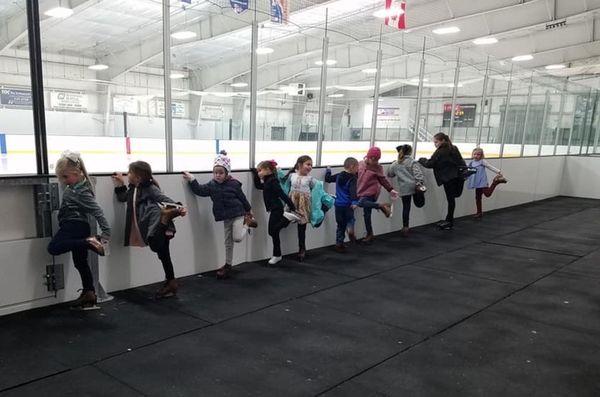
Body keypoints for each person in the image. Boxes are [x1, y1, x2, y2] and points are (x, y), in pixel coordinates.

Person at [112, 161, 187, 298]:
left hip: (157, 222)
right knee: (164, 254)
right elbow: (124, 198)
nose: (127, 175)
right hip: (152, 224)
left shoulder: (149, 188)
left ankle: (165, 218)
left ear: (138, 177)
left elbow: (162, 197)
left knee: (155, 245)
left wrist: (178, 207)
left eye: (129, 173)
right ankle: (171, 282)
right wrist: (120, 184)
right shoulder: (134, 189)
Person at [47, 151, 110, 310]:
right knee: (81, 263)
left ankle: (88, 242)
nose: (64, 181)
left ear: (77, 173)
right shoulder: (78, 185)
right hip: (81, 227)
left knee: (53, 248)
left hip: (73, 225)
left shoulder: (79, 191)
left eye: (66, 177)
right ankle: (89, 293)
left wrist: (106, 231)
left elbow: (97, 211)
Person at [183, 151, 257, 279]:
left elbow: (242, 198)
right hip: (225, 217)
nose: (218, 175)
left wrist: (249, 210)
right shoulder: (212, 185)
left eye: (221, 173)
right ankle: (228, 265)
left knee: (237, 238)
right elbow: (200, 190)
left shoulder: (234, 184)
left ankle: (248, 224)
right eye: (215, 172)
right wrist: (192, 179)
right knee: (228, 243)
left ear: (227, 173)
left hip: (238, 214)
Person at [251, 160, 299, 266]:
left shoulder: (273, 181)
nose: (259, 172)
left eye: (260, 170)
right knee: (274, 232)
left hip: (277, 208)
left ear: (268, 170)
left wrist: (291, 206)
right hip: (274, 209)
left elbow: (282, 194)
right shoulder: (268, 180)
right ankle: (277, 255)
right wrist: (255, 173)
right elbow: (258, 186)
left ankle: (287, 219)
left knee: (272, 231)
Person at [419, 133, 466, 230]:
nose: (435, 144)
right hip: (456, 176)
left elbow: (430, 164)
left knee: (451, 199)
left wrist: (421, 160)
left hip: (447, 178)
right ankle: (449, 220)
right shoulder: (454, 148)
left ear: (443, 140)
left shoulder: (440, 152)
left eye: (436, 142)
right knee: (452, 199)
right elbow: (461, 161)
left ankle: (449, 221)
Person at [357, 147, 399, 243]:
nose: (375, 161)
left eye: (377, 159)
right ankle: (370, 234)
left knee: (361, 203)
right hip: (360, 191)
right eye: (373, 159)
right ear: (368, 157)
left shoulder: (378, 168)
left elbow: (383, 180)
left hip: (371, 191)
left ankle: (381, 206)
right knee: (367, 215)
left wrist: (391, 189)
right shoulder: (360, 164)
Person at [387, 144, 426, 236]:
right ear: (410, 152)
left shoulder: (395, 164)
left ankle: (405, 227)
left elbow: (390, 174)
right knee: (419, 203)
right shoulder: (412, 162)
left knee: (406, 207)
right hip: (415, 186)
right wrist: (420, 183)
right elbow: (418, 175)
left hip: (404, 188)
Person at [284, 155, 318, 261]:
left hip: (303, 205)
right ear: (299, 165)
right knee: (285, 220)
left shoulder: (310, 179)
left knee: (301, 228)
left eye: (311, 165)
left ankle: (302, 249)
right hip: (292, 203)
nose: (310, 167)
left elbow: (317, 191)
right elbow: (285, 186)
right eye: (308, 164)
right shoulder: (292, 176)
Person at [325, 157, 359, 253]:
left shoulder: (339, 175)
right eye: (357, 167)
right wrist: (354, 202)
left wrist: (328, 170)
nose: (358, 170)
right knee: (350, 220)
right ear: (352, 167)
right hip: (348, 205)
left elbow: (328, 179)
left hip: (338, 205)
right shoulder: (353, 178)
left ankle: (339, 244)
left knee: (340, 225)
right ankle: (350, 229)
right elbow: (353, 192)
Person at [467, 148, 508, 218]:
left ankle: (495, 182)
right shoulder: (471, 163)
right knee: (478, 197)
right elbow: (468, 171)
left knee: (488, 194)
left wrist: (498, 171)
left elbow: (490, 167)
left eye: (478, 154)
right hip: (476, 183)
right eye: (475, 154)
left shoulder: (482, 162)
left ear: (481, 155)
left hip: (482, 181)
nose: (476, 156)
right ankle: (479, 212)